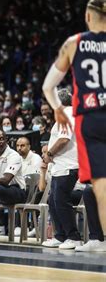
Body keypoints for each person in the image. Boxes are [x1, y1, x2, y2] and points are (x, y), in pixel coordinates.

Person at [42, 0, 106, 235]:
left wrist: (58, 108)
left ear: (88, 16)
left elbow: (48, 87)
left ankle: (100, 240)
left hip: (90, 119)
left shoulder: (74, 42)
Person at [41, 89, 83, 250]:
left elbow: (64, 139)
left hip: (68, 166)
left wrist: (49, 153)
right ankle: (60, 236)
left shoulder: (67, 113)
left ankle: (74, 237)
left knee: (61, 201)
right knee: (53, 201)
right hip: (60, 167)